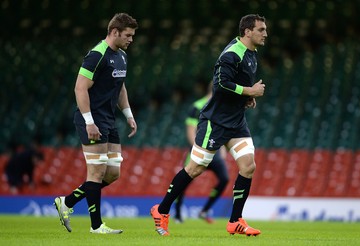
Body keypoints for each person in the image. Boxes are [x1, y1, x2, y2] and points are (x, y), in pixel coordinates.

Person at [150, 14, 267, 236]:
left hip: (237, 121)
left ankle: (235, 221)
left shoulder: (252, 53)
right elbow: (221, 84)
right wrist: (249, 91)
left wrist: (246, 98)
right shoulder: (231, 54)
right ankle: (161, 209)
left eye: (265, 30)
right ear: (248, 31)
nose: (265, 34)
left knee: (248, 166)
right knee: (195, 169)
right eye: (261, 30)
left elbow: (236, 84)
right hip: (216, 122)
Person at [54, 13, 138, 234]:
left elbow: (120, 87)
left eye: (132, 35)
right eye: (128, 35)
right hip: (92, 119)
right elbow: (80, 88)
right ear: (114, 32)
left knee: (112, 173)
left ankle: (67, 202)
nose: (131, 39)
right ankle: (96, 226)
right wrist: (89, 121)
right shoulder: (96, 55)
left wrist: (128, 114)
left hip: (109, 120)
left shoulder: (121, 56)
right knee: (96, 172)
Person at [174, 82, 229, 224]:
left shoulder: (220, 106)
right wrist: (197, 149)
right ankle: (177, 214)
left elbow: (219, 130)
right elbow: (191, 130)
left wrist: (222, 148)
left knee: (224, 179)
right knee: (184, 180)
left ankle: (204, 211)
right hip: (198, 149)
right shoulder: (197, 106)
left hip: (214, 150)